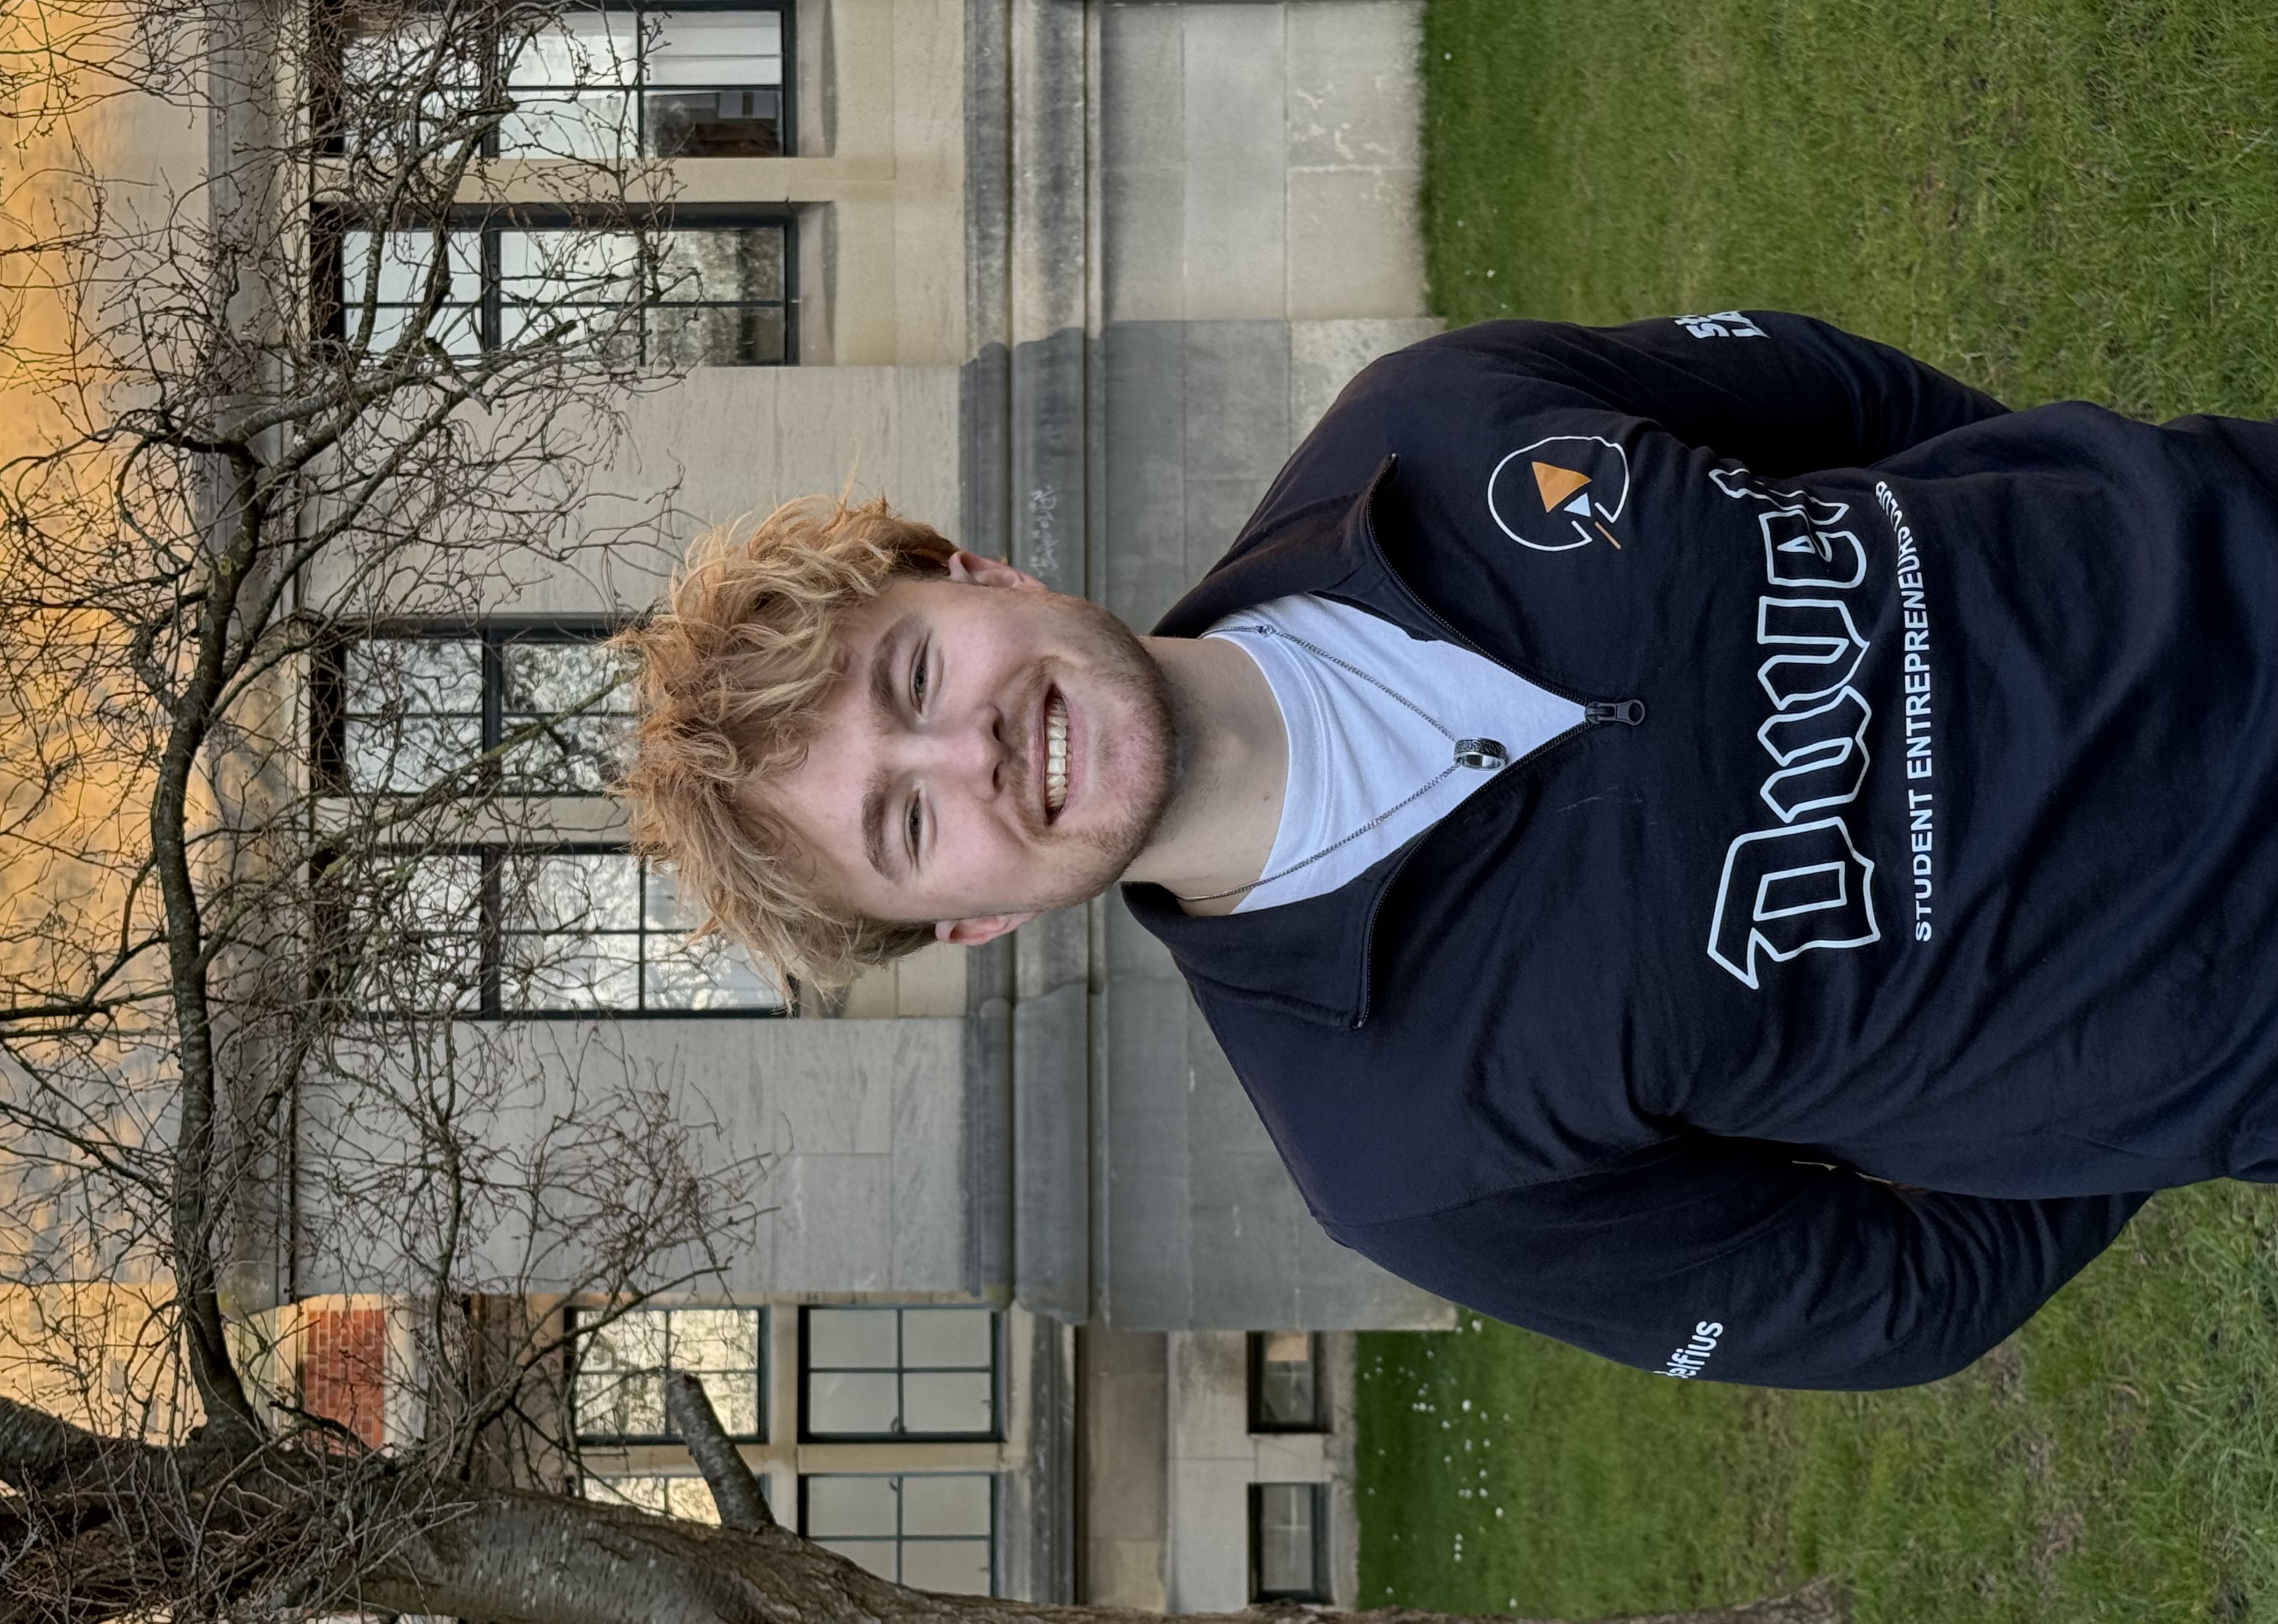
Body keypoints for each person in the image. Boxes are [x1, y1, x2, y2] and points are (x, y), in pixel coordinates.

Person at [621, 309, 2278, 1389]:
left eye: (915, 677)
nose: (971, 751)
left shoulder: (1421, 423)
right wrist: (2167, 1067)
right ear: (969, 927)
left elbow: (1836, 392)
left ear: (978, 577)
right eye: (906, 827)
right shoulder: (1402, 1158)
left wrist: (2090, 518)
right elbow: (1894, 1304)